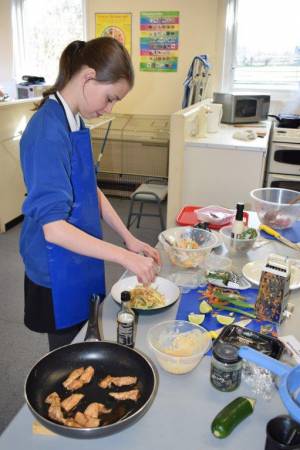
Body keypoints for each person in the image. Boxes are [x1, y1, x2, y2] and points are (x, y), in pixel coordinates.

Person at [19, 37, 160, 351]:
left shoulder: (74, 120)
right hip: (55, 265)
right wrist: (125, 258)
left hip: (81, 251)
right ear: (88, 78)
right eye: (110, 98)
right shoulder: (47, 131)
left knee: (88, 333)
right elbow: (54, 229)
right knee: (68, 352)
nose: (108, 108)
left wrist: (128, 238)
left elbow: (88, 188)